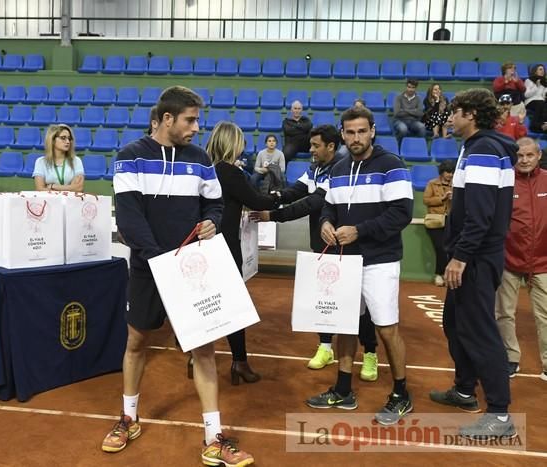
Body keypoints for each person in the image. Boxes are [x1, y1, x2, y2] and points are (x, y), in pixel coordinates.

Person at [104, 86, 254, 466]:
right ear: (167, 119)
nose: (196, 127)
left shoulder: (201, 159)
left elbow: (215, 203)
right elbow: (129, 218)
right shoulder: (130, 157)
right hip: (149, 269)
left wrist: (211, 221)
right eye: (190, 120)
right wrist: (160, 262)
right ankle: (128, 417)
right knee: (137, 342)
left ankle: (213, 438)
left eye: (197, 120)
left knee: (204, 349)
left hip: (193, 271)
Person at [305, 107, 414, 425]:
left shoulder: (391, 165)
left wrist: (359, 231)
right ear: (342, 134)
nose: (356, 138)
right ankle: (342, 390)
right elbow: (329, 205)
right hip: (347, 263)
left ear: (373, 131)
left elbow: (401, 213)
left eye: (361, 131)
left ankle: (401, 394)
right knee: (345, 325)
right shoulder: (337, 168)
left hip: (380, 260)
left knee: (386, 328)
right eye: (350, 132)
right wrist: (326, 221)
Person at [249, 125, 379, 381]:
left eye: (316, 145)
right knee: (325, 301)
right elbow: (296, 191)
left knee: (358, 306)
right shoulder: (315, 168)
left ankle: (371, 353)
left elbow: (313, 203)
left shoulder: (341, 168)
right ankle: (326, 347)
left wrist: (273, 215)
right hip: (320, 246)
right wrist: (272, 197)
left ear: (331, 147)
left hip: (347, 247)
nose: (311, 150)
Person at [429, 88, 518, 439]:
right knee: (455, 322)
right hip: (476, 254)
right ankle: (465, 389)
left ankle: (498, 414)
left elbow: (480, 216)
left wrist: (460, 257)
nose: (449, 119)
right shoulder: (480, 147)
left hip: (476, 258)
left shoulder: (483, 149)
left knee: (480, 331)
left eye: (454, 112)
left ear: (471, 115)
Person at [206, 121, 279, 385]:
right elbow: (256, 202)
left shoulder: (207, 169)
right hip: (226, 245)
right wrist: (280, 196)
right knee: (234, 307)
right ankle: (239, 362)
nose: (243, 146)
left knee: (207, 303)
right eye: (240, 141)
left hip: (207, 246)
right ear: (231, 143)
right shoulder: (230, 172)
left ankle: (196, 357)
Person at [495, 137, 547, 381]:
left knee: (544, 315)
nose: (524, 160)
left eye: (529, 155)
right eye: (520, 156)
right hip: (509, 260)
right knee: (504, 313)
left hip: (544, 262)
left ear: (539, 156)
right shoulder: (504, 183)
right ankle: (510, 358)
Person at [422, 160, 455, 287]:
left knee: (450, 249)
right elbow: (426, 200)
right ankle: (439, 274)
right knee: (440, 248)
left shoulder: (456, 185)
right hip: (435, 220)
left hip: (451, 221)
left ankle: (447, 276)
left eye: (452, 172)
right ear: (441, 172)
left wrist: (454, 198)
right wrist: (442, 199)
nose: (450, 175)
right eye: (447, 172)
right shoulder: (432, 183)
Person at [33, 124, 85, 192]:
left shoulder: (76, 161)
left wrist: (52, 186)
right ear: (52, 140)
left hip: (71, 201)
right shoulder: (40, 162)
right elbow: (40, 189)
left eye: (69, 138)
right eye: (63, 138)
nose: (68, 142)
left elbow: (78, 188)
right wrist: (70, 187)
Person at [282, 100, 313, 164]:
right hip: (292, 144)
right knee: (285, 154)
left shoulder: (306, 120)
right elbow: (288, 131)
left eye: (299, 109)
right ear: (291, 110)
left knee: (314, 134)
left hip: (305, 144)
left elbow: (309, 126)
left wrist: (294, 127)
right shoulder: (286, 121)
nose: (297, 110)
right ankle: (283, 172)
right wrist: (302, 129)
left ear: (301, 110)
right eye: (295, 108)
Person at [524, 64, 547, 133]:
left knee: (543, 104)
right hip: (531, 101)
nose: (542, 71)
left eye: (543, 69)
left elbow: (543, 96)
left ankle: (544, 125)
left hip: (541, 102)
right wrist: (536, 86)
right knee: (541, 104)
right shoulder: (528, 81)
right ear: (535, 71)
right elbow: (526, 95)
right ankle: (534, 125)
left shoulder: (545, 83)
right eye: (540, 69)